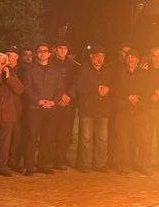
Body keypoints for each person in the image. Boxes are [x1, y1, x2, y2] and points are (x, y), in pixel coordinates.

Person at [22, 43, 63, 175]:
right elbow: (27, 88)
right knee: (32, 137)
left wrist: (53, 102)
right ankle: (29, 166)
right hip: (34, 108)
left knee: (47, 137)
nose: (42, 53)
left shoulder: (55, 70)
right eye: (40, 51)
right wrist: (38, 101)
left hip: (50, 109)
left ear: (49, 54)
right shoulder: (29, 69)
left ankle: (43, 165)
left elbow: (60, 88)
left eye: (45, 51)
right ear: (36, 54)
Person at [112, 48, 152, 175]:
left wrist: (138, 99)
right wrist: (128, 97)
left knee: (143, 140)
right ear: (125, 59)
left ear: (138, 60)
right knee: (123, 140)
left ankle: (145, 165)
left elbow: (147, 90)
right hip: (124, 110)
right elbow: (115, 89)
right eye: (129, 57)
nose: (131, 59)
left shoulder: (144, 74)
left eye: (133, 57)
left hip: (140, 110)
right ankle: (122, 165)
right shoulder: (119, 73)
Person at [75, 45, 112, 172]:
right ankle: (85, 164)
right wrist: (96, 89)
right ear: (91, 57)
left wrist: (108, 89)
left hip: (103, 109)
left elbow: (114, 85)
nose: (100, 59)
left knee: (102, 138)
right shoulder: (83, 69)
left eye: (102, 56)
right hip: (87, 108)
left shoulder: (107, 69)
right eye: (97, 56)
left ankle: (100, 164)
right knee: (86, 138)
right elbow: (78, 87)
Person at [50, 40, 79, 169]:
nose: (62, 50)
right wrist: (58, 97)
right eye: (60, 48)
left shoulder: (74, 65)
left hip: (68, 103)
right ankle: (48, 158)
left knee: (65, 132)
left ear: (67, 50)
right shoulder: (50, 63)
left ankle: (60, 159)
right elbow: (49, 82)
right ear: (55, 49)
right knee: (50, 131)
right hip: (53, 102)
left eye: (65, 48)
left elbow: (77, 81)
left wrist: (69, 95)